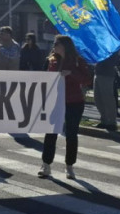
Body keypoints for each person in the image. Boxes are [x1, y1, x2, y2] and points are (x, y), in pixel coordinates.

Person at [38, 35, 91, 180]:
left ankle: (69, 165)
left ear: (65, 46)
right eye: (54, 43)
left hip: (74, 101)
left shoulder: (77, 60)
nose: (54, 46)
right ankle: (46, 164)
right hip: (55, 101)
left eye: (57, 43)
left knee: (71, 134)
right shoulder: (51, 60)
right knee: (51, 133)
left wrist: (72, 73)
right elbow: (43, 78)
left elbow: (87, 79)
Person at [93, 53, 119, 131]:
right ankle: (104, 120)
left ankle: (112, 122)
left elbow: (112, 61)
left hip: (106, 74)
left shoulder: (112, 48)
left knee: (107, 99)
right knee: (98, 99)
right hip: (98, 73)